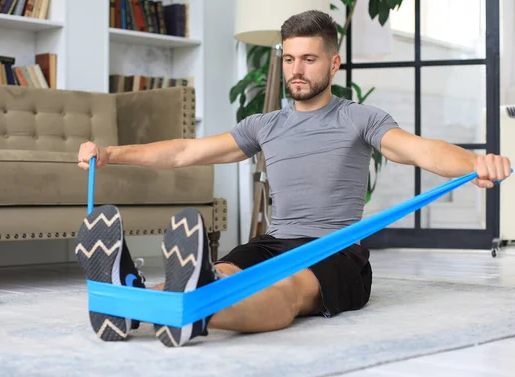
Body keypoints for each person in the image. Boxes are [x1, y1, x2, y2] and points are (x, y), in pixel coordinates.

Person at [75, 10, 512, 348]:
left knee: (285, 291)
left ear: (334, 62)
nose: (296, 70)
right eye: (288, 59)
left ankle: (193, 312)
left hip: (334, 248)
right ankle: (131, 300)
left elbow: (418, 148)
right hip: (273, 241)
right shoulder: (264, 124)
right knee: (221, 272)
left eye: (308, 59)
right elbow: (187, 151)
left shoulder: (361, 118)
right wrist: (111, 153)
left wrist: (475, 164)